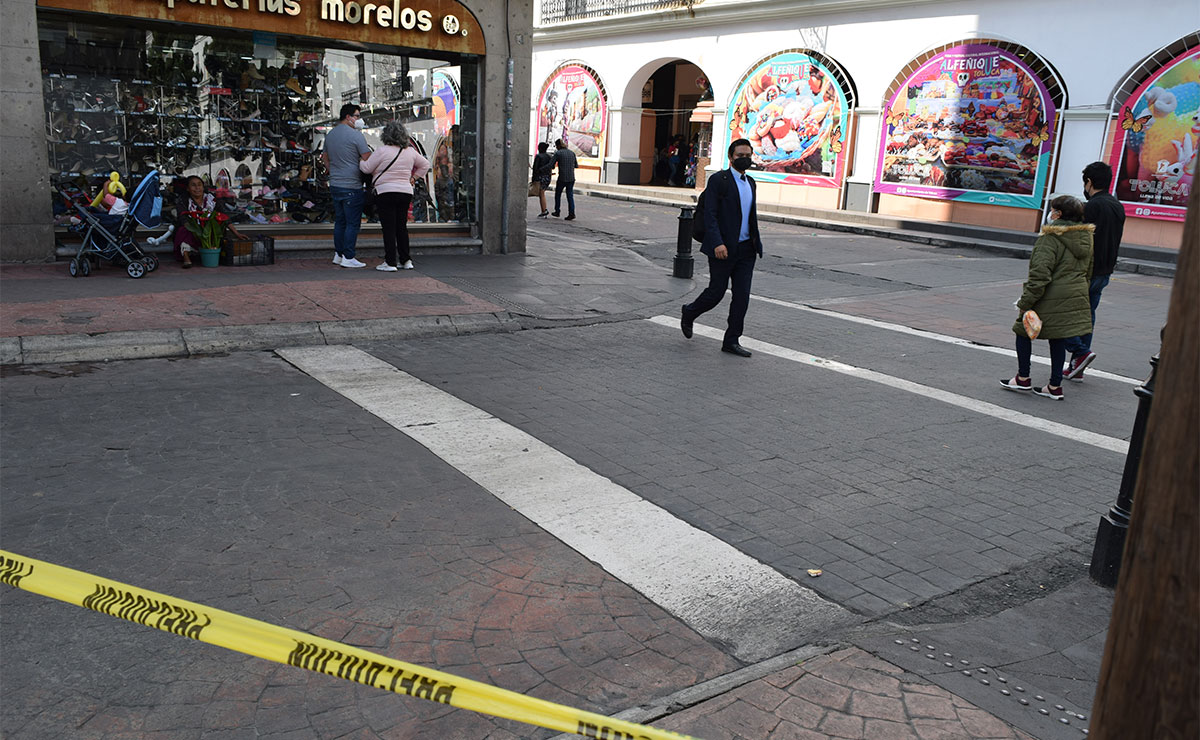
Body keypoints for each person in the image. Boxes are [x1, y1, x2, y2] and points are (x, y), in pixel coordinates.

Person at [1000, 194, 1095, 400]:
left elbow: (1040, 275)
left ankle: (1023, 378)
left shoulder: (1051, 238)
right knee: (1059, 337)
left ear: (1058, 214)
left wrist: (1025, 302)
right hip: (1074, 293)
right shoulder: (1086, 238)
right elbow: (1088, 271)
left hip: (1050, 294)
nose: (1050, 214)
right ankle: (1054, 386)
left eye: (1053, 210)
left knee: (1023, 329)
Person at [680, 138, 763, 357]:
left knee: (742, 296)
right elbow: (711, 214)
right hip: (723, 248)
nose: (744, 159)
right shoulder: (719, 180)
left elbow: (750, 216)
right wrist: (717, 242)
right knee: (716, 292)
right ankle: (689, 312)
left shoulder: (751, 182)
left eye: (748, 156)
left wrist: (756, 243)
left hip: (746, 249)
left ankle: (732, 340)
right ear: (730, 157)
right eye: (740, 156)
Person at [1063, 161, 1125, 381]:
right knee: (1087, 318)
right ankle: (1077, 366)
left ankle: (1080, 353)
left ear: (1088, 182)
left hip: (1086, 272)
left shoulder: (1091, 207)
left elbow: (1080, 242)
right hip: (1104, 271)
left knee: (1064, 317)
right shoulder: (1117, 205)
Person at [360, 120, 430, 271]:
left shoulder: (382, 151)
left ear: (386, 135)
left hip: (385, 192)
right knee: (401, 227)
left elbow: (366, 169)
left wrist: (360, 160)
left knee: (389, 228)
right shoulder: (410, 151)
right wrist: (414, 178)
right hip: (405, 192)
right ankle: (406, 260)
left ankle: (390, 262)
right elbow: (425, 165)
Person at [320, 103, 370, 268]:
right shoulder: (356, 136)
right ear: (348, 117)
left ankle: (338, 254)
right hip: (352, 184)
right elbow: (367, 157)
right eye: (356, 116)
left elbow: (324, 157)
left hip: (335, 183)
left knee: (340, 221)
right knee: (352, 223)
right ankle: (349, 256)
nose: (358, 119)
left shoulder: (331, 134)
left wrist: (332, 169)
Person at [173, 175, 247, 268]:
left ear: (203, 187)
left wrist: (236, 233)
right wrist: (196, 230)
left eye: (199, 185)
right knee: (183, 230)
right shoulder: (183, 201)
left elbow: (224, 216)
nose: (197, 188)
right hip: (193, 232)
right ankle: (186, 257)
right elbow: (183, 219)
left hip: (210, 233)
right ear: (188, 189)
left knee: (217, 229)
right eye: (193, 185)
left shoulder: (212, 199)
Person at [551, 138, 577, 220]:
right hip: (571, 178)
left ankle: (557, 211)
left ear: (558, 145)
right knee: (570, 196)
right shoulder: (572, 153)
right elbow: (576, 165)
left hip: (562, 177)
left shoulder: (558, 153)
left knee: (558, 194)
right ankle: (571, 213)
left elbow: (551, 165)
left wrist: (542, 169)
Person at [531, 142, 554, 218]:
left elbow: (535, 169)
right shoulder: (549, 156)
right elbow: (552, 166)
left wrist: (533, 179)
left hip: (540, 177)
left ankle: (544, 210)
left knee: (541, 194)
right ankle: (543, 210)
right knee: (542, 193)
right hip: (547, 177)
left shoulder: (538, 156)